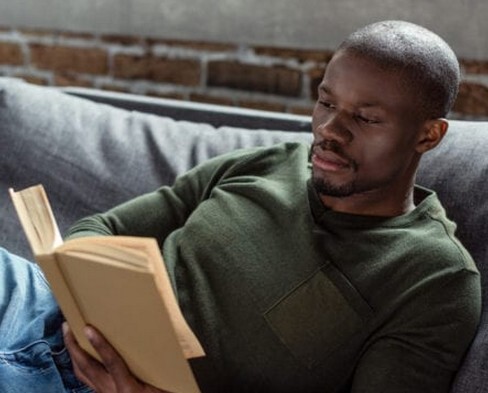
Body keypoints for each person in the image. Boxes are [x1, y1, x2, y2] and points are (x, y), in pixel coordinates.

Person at [0, 19, 481, 393]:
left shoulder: (434, 279)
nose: (330, 131)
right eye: (327, 103)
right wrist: (80, 287)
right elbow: (103, 227)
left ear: (428, 134)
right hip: (42, 310)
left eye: (365, 117)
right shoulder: (271, 162)